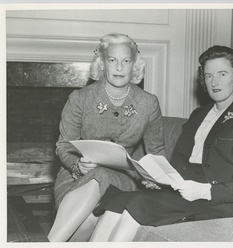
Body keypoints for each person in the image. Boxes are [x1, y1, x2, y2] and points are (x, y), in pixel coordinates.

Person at [88, 45, 233, 242]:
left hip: (212, 202)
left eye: (222, 74)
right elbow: (180, 162)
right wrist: (160, 180)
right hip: (180, 192)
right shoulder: (198, 115)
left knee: (137, 203)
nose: (214, 82)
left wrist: (202, 190)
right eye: (208, 76)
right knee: (118, 200)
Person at [47, 33, 166, 242]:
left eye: (126, 61)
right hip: (77, 178)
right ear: (103, 64)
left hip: (123, 179)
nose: (119, 67)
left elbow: (157, 152)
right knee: (85, 222)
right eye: (112, 60)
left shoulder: (148, 103)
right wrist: (77, 165)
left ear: (134, 65)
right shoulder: (80, 98)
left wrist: (157, 177)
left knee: (102, 174)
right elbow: (64, 145)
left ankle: (48, 242)